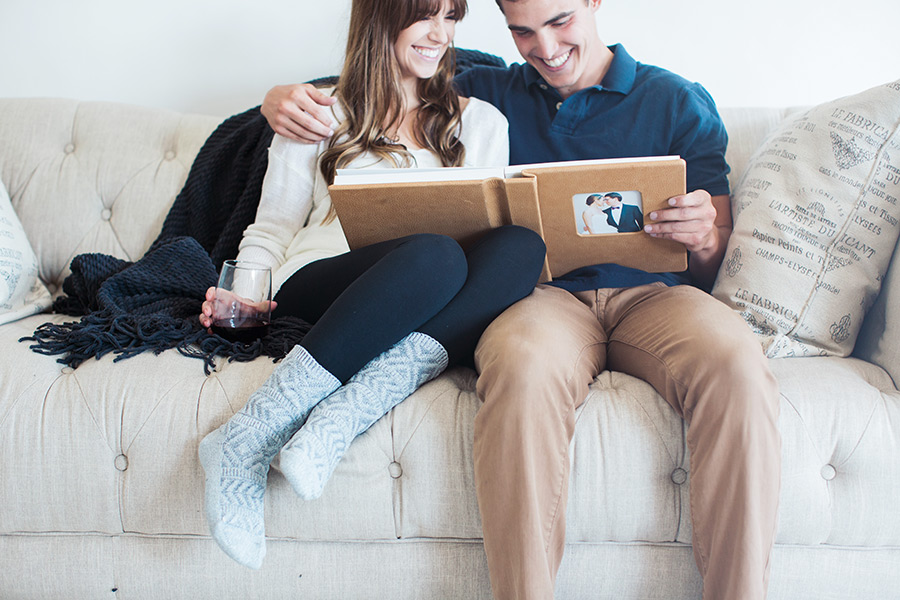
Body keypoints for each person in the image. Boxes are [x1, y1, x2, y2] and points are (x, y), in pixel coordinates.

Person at [259, 0, 781, 598]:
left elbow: (716, 253)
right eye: (524, 32)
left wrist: (705, 235)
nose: (546, 49)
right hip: (540, 298)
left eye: (560, 22)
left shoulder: (677, 99)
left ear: (592, 4)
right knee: (522, 371)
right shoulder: (484, 96)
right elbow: (386, 79)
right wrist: (279, 99)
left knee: (739, 366)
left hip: (656, 296)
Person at [198, 0, 546, 572]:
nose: (440, 34)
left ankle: (342, 417)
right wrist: (245, 289)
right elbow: (271, 228)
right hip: (320, 285)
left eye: (452, 17)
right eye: (424, 15)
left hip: (427, 300)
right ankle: (245, 438)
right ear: (381, 17)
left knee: (521, 245)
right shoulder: (317, 113)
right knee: (435, 252)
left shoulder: (483, 123)